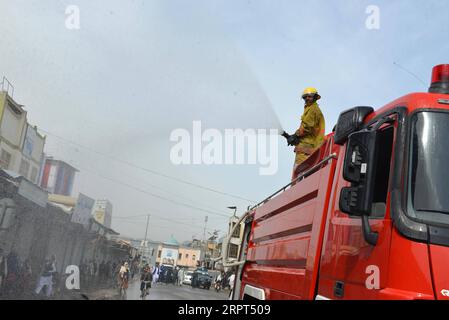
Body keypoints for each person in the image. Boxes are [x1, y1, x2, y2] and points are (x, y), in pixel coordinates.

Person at [282, 87, 325, 172]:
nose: (306, 99)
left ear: (315, 97)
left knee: (300, 172)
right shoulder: (309, 109)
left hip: (307, 147)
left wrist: (295, 135)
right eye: (305, 97)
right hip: (306, 146)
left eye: (309, 96)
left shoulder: (313, 109)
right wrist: (296, 137)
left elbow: (307, 127)